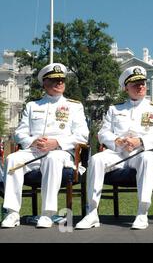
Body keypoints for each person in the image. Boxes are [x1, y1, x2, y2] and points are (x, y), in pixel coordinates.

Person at [75, 66, 153, 230]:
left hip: (142, 152)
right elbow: (103, 133)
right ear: (126, 87)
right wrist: (117, 140)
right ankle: (91, 213)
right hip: (117, 154)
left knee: (148, 158)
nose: (140, 86)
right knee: (96, 159)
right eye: (135, 84)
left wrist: (141, 141)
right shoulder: (115, 109)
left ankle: (142, 213)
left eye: (142, 83)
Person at [1, 63, 89, 228]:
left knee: (53, 158)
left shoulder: (74, 106)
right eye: (54, 80)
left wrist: (56, 143)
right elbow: (19, 133)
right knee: (12, 159)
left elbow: (82, 135)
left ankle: (47, 213)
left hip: (61, 152)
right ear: (45, 83)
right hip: (34, 151)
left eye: (61, 80)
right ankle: (12, 213)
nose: (59, 83)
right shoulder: (32, 106)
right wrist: (32, 141)